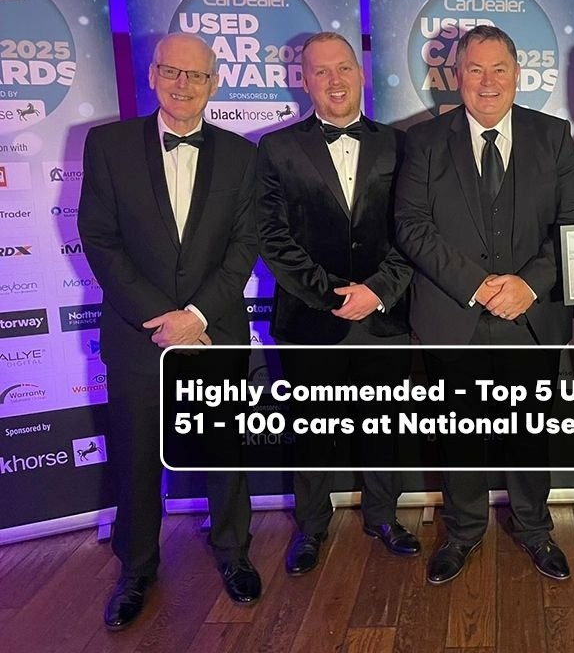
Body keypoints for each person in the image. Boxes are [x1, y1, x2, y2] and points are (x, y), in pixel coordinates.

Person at [394, 24, 574, 585]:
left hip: (531, 318)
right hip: (454, 316)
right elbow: (411, 225)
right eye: (474, 69)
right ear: (456, 76)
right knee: (458, 434)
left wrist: (529, 284)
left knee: (530, 431)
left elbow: (573, 222)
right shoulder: (423, 141)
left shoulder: (553, 135)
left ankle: (535, 529)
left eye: (498, 69)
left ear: (517, 74)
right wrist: (479, 286)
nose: (487, 81)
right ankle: (463, 531)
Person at [79, 33, 261, 629]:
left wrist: (197, 316)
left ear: (214, 84)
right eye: (172, 72)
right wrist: (162, 318)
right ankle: (136, 569)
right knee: (136, 455)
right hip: (139, 334)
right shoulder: (108, 145)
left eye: (196, 75)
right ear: (153, 74)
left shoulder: (242, 155)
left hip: (214, 330)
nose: (183, 85)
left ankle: (234, 553)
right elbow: (99, 239)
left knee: (224, 452)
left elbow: (245, 246)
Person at [256, 32, 420, 574]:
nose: (335, 80)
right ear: (303, 81)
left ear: (361, 73)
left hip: (384, 317)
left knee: (384, 426)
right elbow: (272, 237)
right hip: (309, 319)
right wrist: (329, 295)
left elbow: (413, 231)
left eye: (344, 67)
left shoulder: (400, 145)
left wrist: (378, 291)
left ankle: (384, 516)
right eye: (321, 71)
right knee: (312, 431)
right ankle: (311, 527)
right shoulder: (276, 148)